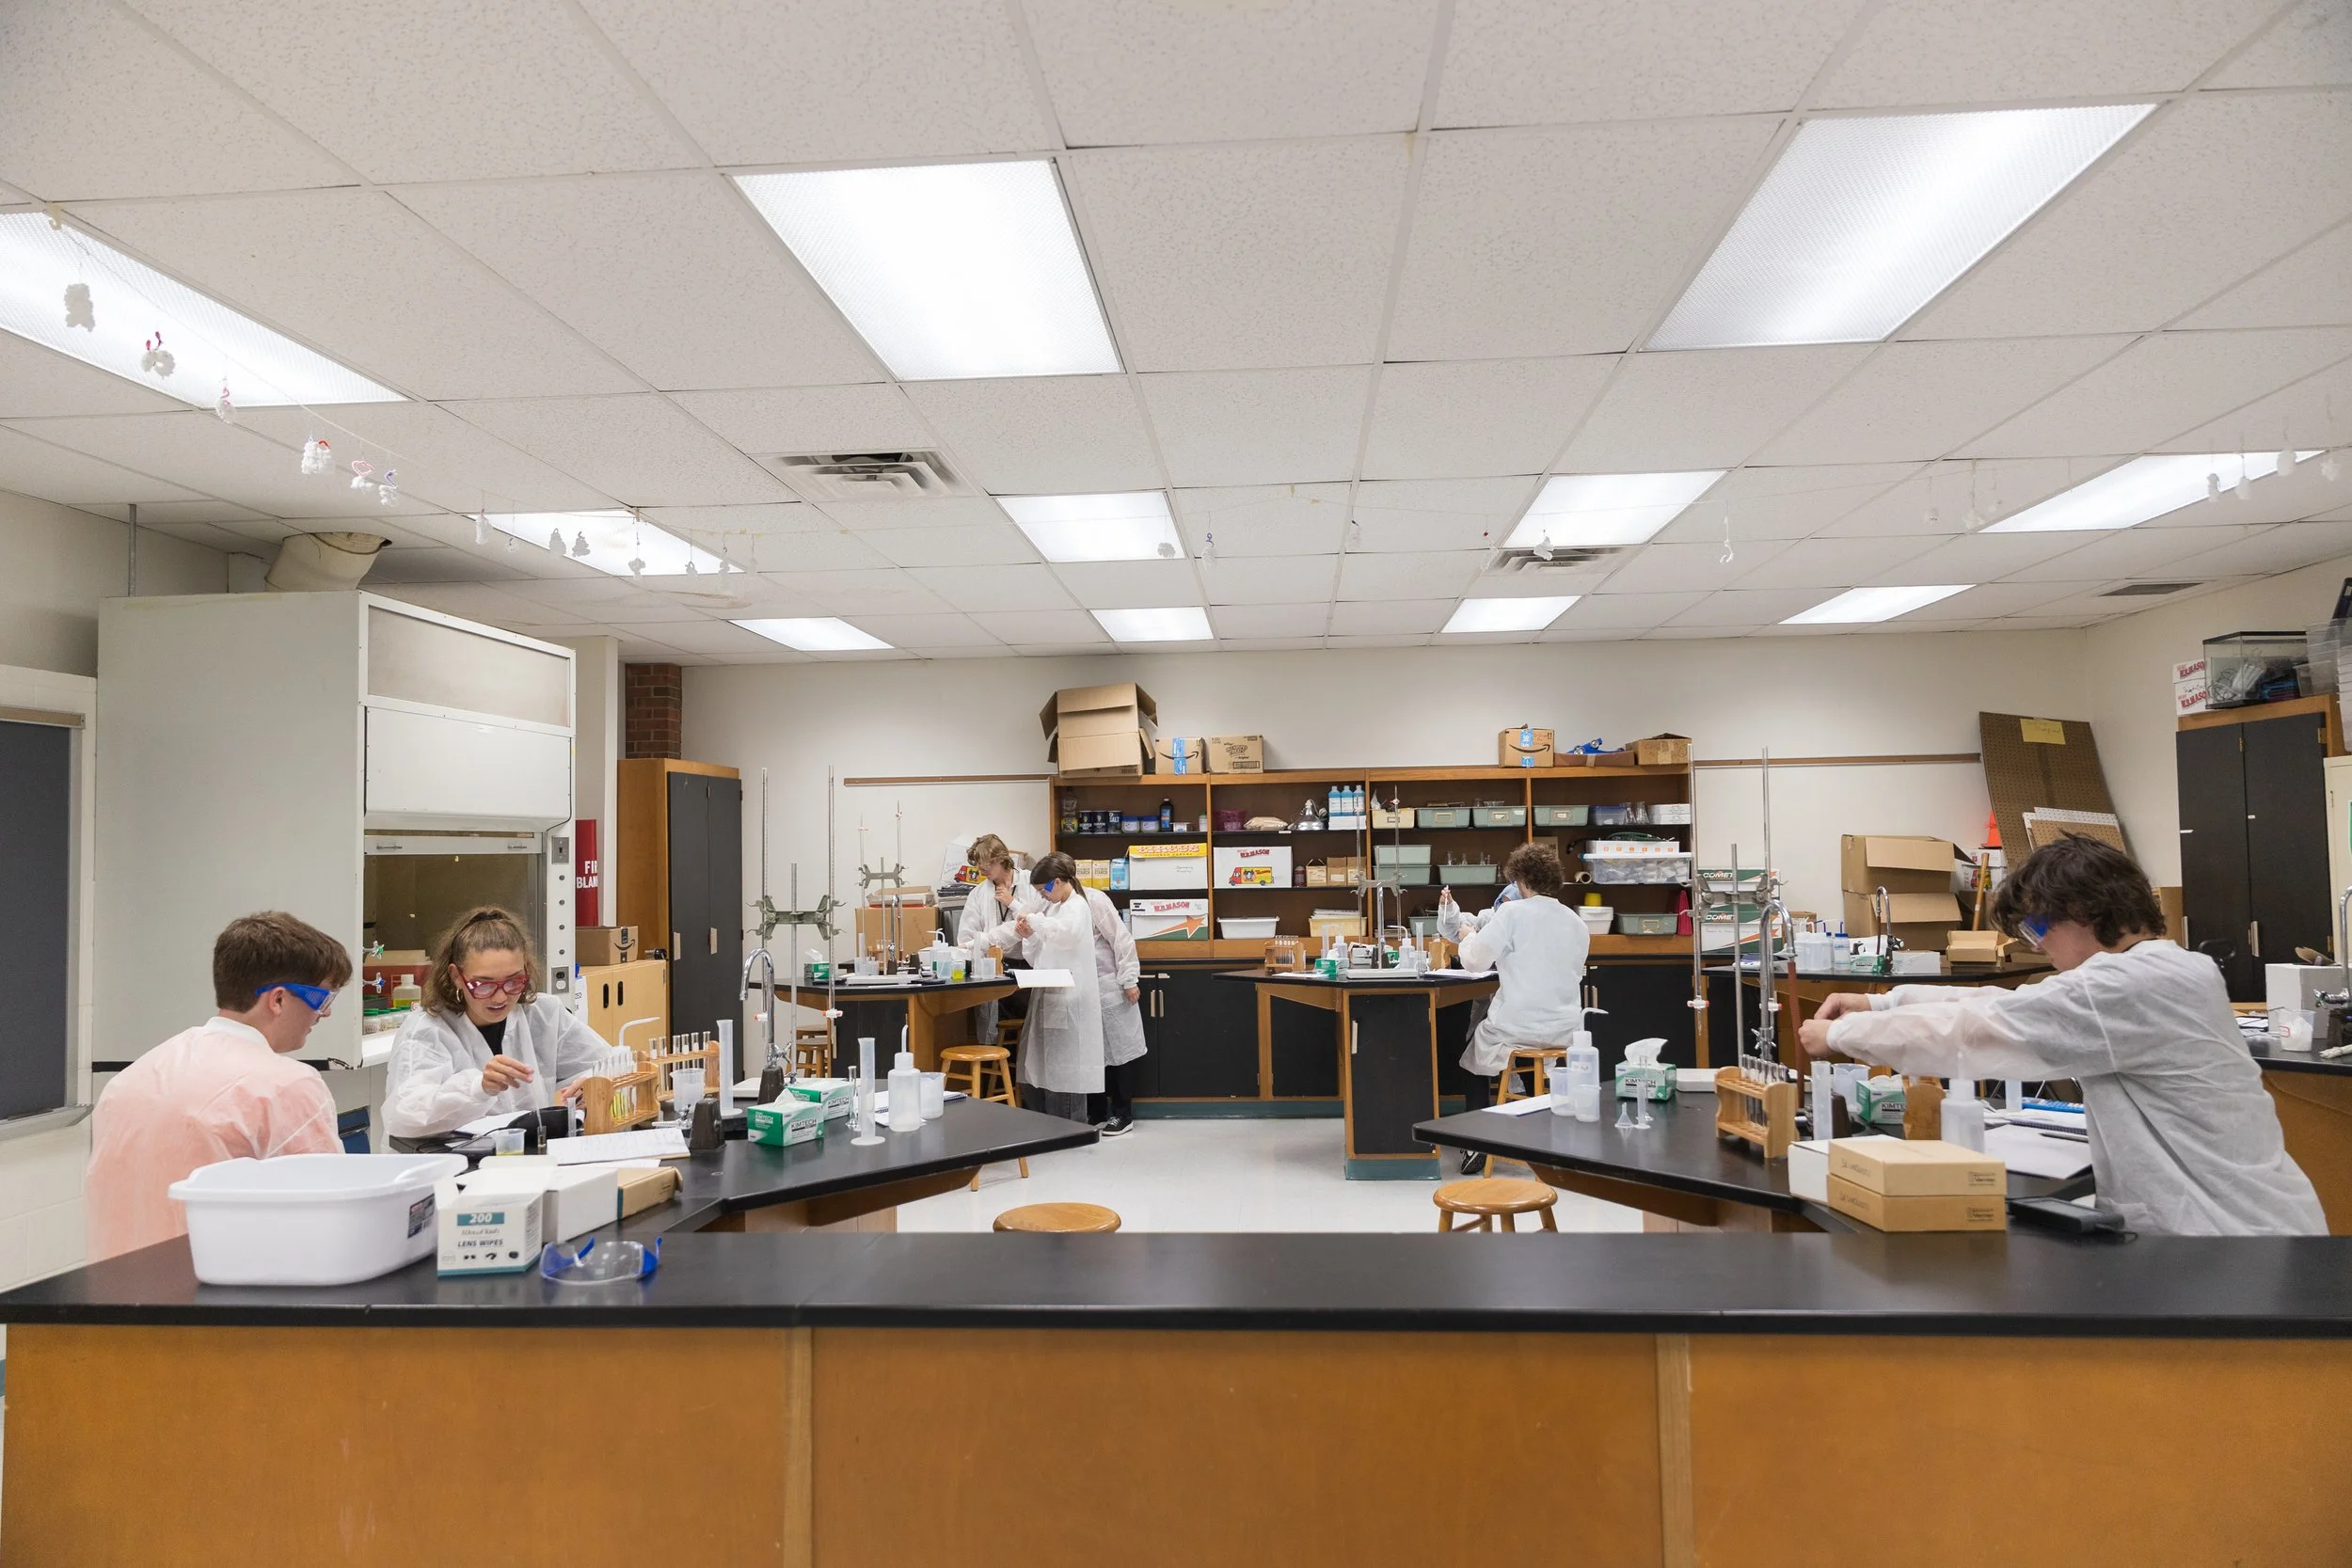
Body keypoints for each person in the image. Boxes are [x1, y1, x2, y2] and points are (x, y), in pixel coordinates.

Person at [1799, 833, 2325, 1237]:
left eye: (2037, 929)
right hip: (2222, 1230)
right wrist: (1879, 1001)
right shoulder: (2160, 971)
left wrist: (1844, 1033)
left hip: (2235, 1238)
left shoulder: (2131, 984)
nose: (2037, 946)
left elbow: (1978, 1032)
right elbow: (2006, 1005)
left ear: (2082, 912)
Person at [85, 911, 350, 1261]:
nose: (325, 1014)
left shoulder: (132, 1078)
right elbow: (329, 1218)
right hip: (220, 1303)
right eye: (322, 999)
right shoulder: (287, 1085)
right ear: (279, 1000)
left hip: (112, 1300)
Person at [382, 906, 610, 1143]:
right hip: (451, 1167)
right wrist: (477, 1087)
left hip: (527, 1156)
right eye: (484, 985)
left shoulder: (544, 1014)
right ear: (456, 976)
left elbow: (606, 1064)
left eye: (514, 982)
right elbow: (404, 1117)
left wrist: (592, 1084)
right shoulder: (427, 1029)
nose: (500, 998)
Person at [1437, 843, 1589, 1173]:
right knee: (1531, 1061)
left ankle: (1475, 1144)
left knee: (1471, 1059)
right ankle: (1541, 1135)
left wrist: (1466, 935)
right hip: (1566, 1031)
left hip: (1517, 1027)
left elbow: (1475, 961)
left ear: (1520, 881)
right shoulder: (1576, 922)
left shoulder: (1511, 914)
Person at [977, 852, 1132, 1128]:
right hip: (1054, 994)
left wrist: (1031, 919)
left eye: (1042, 891)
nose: (1042, 897)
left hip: (1070, 997)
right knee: (1049, 1066)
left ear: (1056, 882)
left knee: (1067, 1070)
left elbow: (1066, 934)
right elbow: (1043, 951)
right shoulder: (1055, 906)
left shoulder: (1078, 906)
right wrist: (1030, 935)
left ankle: (1069, 1128)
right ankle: (1054, 1125)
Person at [956, 833, 1037, 1049]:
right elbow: (966, 936)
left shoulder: (1029, 882)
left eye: (987, 864)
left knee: (1031, 1036)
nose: (982, 870)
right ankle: (998, 1082)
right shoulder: (978, 893)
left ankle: (1024, 1084)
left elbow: (1030, 922)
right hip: (996, 971)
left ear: (1002, 859)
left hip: (1030, 968)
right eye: (979, 865)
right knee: (998, 1035)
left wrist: (1012, 903)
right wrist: (974, 945)